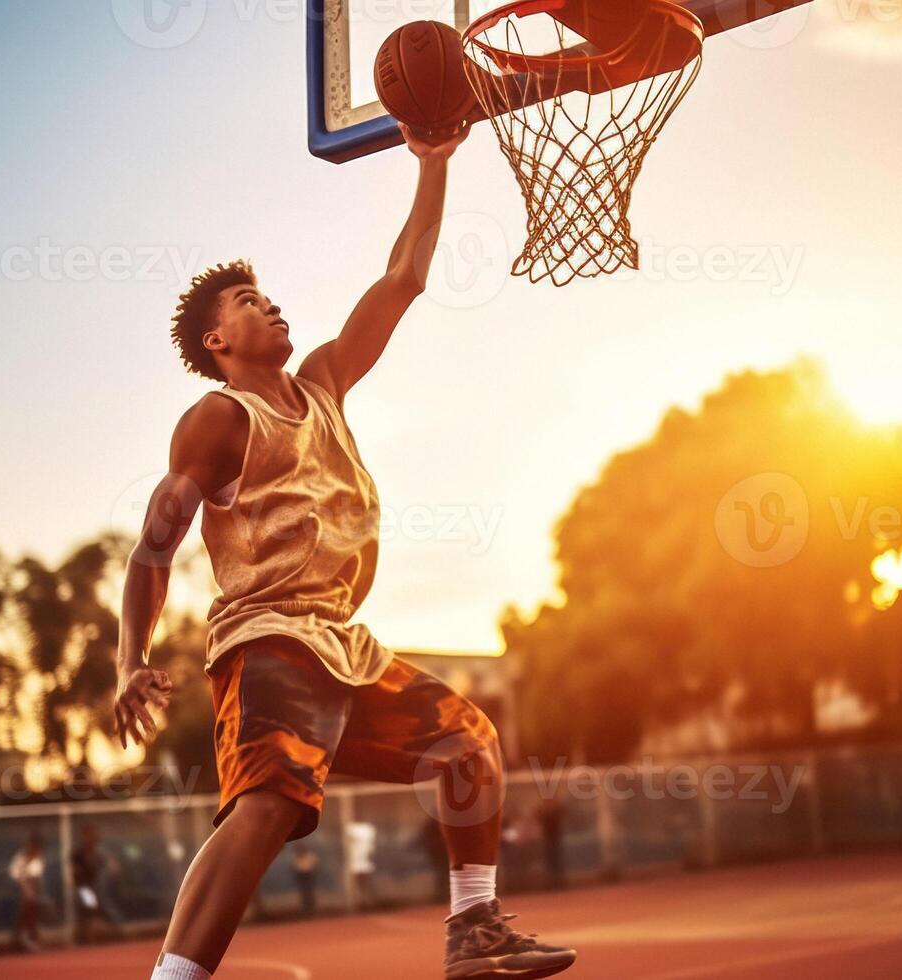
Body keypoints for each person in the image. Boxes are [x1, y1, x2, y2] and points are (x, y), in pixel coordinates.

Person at [108, 120, 574, 980]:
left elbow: (402, 279)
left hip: (342, 645)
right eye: (247, 303)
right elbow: (153, 545)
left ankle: (473, 929)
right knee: (267, 805)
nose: (269, 304)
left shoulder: (321, 383)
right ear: (218, 343)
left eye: (267, 294)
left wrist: (431, 163)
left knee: (465, 744)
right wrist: (130, 658)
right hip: (271, 640)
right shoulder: (220, 419)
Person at [70, 827, 122, 944]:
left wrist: (112, 867)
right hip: (85, 888)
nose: (90, 839)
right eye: (88, 836)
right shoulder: (78, 854)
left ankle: (114, 932)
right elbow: (76, 873)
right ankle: (84, 937)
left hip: (97, 887)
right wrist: (83, 887)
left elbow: (111, 865)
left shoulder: (99, 852)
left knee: (100, 907)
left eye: (92, 836)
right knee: (89, 908)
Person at [9, 835, 47, 952]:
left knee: (32, 913)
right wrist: (25, 893)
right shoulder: (19, 858)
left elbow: (35, 880)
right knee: (23, 913)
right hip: (16, 890)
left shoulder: (37, 860)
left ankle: (31, 940)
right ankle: (17, 941)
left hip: (31, 891)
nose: (35, 852)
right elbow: (15, 877)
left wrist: (32, 895)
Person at [290, 845, 319, 918]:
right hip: (301, 875)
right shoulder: (297, 857)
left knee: (309, 891)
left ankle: (312, 908)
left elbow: (315, 864)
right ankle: (306, 908)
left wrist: (311, 870)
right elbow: (295, 866)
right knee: (303, 892)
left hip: (308, 875)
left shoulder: (309, 855)